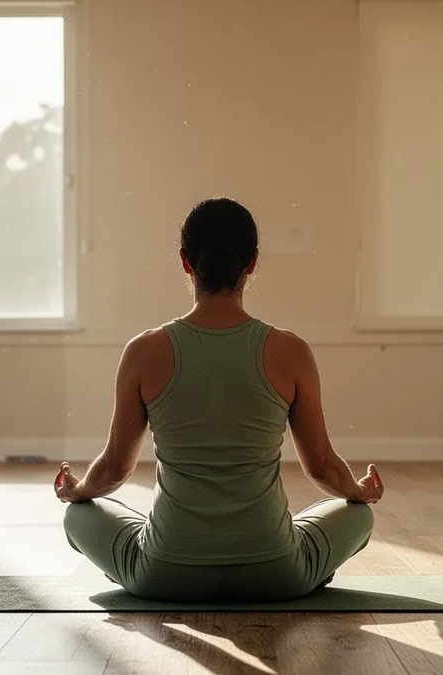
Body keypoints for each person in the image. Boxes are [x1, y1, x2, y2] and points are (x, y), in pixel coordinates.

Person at [54, 197, 384, 602]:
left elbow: (114, 471)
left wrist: (76, 490)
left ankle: (156, 558)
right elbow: (323, 468)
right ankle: (303, 569)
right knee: (358, 515)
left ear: (186, 262)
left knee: (78, 514)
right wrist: (360, 490)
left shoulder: (144, 351)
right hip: (278, 574)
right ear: (252, 263)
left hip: (164, 574)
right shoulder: (290, 351)